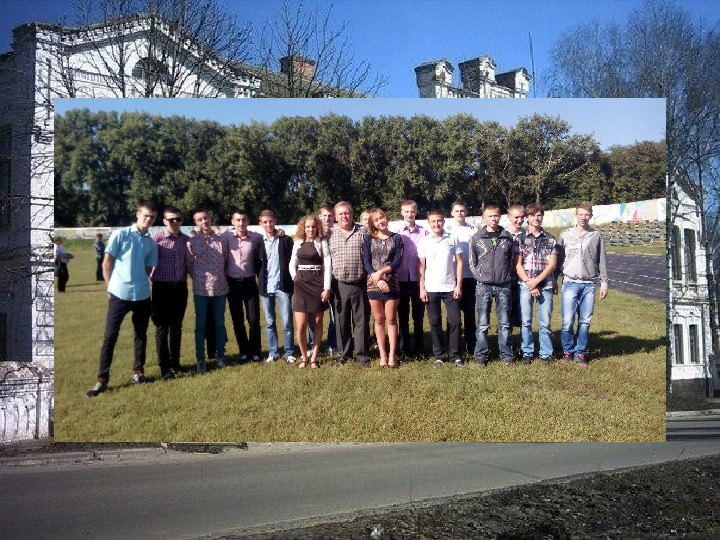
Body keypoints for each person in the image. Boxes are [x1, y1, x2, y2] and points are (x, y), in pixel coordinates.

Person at [85, 202, 158, 397]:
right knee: (110, 336)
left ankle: (138, 372)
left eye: (152, 217)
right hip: (119, 294)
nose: (149, 219)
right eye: (146, 215)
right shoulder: (121, 234)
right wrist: (110, 287)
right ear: (137, 214)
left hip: (142, 295)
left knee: (141, 335)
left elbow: (148, 269)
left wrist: (142, 283)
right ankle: (102, 380)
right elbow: (106, 263)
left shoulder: (151, 242)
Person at [557, 202, 609, 367]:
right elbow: (558, 260)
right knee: (567, 321)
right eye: (581, 214)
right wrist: (554, 281)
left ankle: (580, 353)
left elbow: (602, 261)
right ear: (576, 215)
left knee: (585, 322)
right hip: (569, 283)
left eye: (587, 214)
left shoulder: (596, 235)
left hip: (589, 284)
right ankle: (567, 352)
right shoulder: (565, 235)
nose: (583, 218)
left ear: (591, 216)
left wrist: (604, 283)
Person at [468, 204, 516, 367]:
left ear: (500, 216)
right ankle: (481, 356)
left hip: (503, 286)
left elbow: (511, 260)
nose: (493, 219)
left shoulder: (507, 237)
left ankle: (506, 356)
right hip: (483, 286)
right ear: (484, 217)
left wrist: (506, 276)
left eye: (496, 215)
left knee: (504, 323)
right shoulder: (476, 238)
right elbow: (472, 261)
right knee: (482, 323)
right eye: (490, 216)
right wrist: (479, 277)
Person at [327, 201, 371, 367]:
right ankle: (343, 354)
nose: (344, 216)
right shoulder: (330, 234)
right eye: (341, 214)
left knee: (361, 321)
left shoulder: (363, 231)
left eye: (347, 213)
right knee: (341, 322)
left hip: (360, 283)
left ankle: (362, 355)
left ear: (352, 214)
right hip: (339, 285)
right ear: (335, 217)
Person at [418, 209, 464, 368]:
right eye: (433, 221)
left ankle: (455, 355)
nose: (436, 224)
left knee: (455, 321)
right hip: (431, 287)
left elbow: (459, 262)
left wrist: (458, 285)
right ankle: (439, 355)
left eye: (439, 221)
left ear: (444, 221)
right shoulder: (424, 241)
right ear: (428, 223)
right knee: (435, 322)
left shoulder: (452, 238)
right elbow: (421, 266)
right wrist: (422, 288)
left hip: (450, 287)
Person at [515, 203, 559, 365]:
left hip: (545, 285)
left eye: (539, 215)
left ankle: (546, 353)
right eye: (533, 215)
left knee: (545, 322)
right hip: (525, 285)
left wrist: (536, 281)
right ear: (527, 218)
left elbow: (552, 265)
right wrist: (529, 283)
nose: (536, 218)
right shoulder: (519, 239)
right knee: (525, 321)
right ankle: (527, 352)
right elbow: (517, 264)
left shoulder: (551, 239)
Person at [186, 209, 229, 372]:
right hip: (201, 290)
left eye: (205, 218)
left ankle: (220, 357)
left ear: (210, 218)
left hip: (220, 288)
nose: (204, 221)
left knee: (219, 324)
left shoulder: (221, 241)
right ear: (196, 223)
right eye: (199, 220)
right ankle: (200, 359)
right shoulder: (192, 242)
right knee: (200, 326)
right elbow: (189, 264)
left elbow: (225, 261)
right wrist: (198, 278)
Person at [150, 206, 189, 379]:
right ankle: (165, 367)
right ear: (164, 221)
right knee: (162, 327)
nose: (175, 222)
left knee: (177, 327)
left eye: (178, 219)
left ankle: (176, 363)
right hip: (161, 288)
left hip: (180, 287)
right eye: (171, 219)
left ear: (182, 220)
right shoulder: (156, 239)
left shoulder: (186, 240)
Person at [221, 210, 265, 362]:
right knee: (237, 319)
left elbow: (270, 238)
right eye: (238, 220)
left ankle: (255, 351)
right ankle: (244, 351)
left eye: (244, 219)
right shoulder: (225, 237)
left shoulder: (257, 238)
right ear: (232, 221)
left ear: (248, 221)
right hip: (232, 284)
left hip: (249, 283)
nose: (241, 223)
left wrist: (280, 232)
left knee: (253, 319)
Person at [363, 208, 403, 367]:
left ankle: (392, 355)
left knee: (391, 319)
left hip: (391, 282)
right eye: (377, 220)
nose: (381, 221)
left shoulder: (397, 238)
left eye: (382, 217)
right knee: (379, 320)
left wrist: (380, 272)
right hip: (373, 284)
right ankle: (383, 355)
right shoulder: (368, 239)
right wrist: (377, 278)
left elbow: (397, 262)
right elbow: (366, 262)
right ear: (373, 223)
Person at [289, 214, 331, 368]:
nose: (310, 229)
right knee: (300, 326)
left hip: (317, 284)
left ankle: (314, 357)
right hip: (301, 285)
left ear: (317, 227)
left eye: (313, 226)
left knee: (317, 322)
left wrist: (327, 288)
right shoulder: (298, 242)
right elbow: (292, 263)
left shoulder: (322, 242)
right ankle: (304, 356)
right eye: (307, 226)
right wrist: (295, 277)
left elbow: (328, 265)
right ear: (303, 228)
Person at [258, 209, 296, 363]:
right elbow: (256, 264)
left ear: (275, 221)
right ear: (260, 223)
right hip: (266, 287)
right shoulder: (258, 242)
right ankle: (273, 353)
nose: (268, 224)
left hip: (283, 287)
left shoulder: (285, 240)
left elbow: (293, 259)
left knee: (287, 322)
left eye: (271, 221)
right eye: (265, 222)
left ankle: (289, 352)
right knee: (269, 322)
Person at [392, 200, 427, 359]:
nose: (409, 214)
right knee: (403, 316)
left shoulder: (424, 232)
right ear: (402, 212)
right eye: (406, 211)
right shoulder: (396, 232)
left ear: (416, 212)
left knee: (418, 316)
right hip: (400, 279)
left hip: (418, 278)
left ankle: (419, 349)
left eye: (412, 211)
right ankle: (404, 349)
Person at [446, 200, 477, 356]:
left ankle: (471, 346)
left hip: (470, 277)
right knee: (453, 316)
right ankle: (453, 346)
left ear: (466, 212)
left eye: (462, 210)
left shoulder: (473, 230)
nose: (460, 213)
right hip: (452, 279)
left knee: (470, 314)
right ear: (452, 213)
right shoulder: (446, 230)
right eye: (457, 211)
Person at [311, 204, 338, 355]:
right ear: (319, 216)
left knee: (335, 315)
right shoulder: (312, 232)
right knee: (313, 315)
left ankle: (332, 344)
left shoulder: (337, 232)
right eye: (325, 215)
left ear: (334, 217)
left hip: (334, 279)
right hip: (315, 280)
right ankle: (312, 345)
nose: (327, 218)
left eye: (330, 215)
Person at [506, 204, 526, 356]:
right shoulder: (503, 234)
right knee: (506, 315)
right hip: (506, 280)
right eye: (516, 217)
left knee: (523, 315)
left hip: (523, 280)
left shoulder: (526, 234)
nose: (519, 220)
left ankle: (523, 346)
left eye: (522, 218)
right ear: (509, 217)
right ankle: (508, 346)